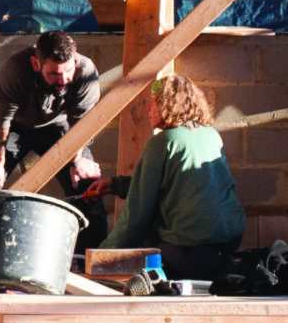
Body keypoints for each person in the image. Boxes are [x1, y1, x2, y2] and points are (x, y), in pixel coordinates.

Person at [92, 73, 245, 280]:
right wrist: (116, 185)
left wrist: (102, 255)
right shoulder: (210, 134)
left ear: (169, 105)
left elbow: (137, 214)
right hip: (229, 239)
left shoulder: (163, 142)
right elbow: (182, 183)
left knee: (147, 232)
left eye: (154, 102)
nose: (148, 108)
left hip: (191, 245)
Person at [0, 29, 101, 197]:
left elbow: (81, 124)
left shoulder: (86, 73)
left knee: (86, 186)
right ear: (35, 64)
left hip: (58, 126)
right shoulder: (15, 69)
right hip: (13, 125)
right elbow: (2, 121)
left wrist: (78, 161)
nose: (63, 79)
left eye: (68, 70)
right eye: (54, 73)